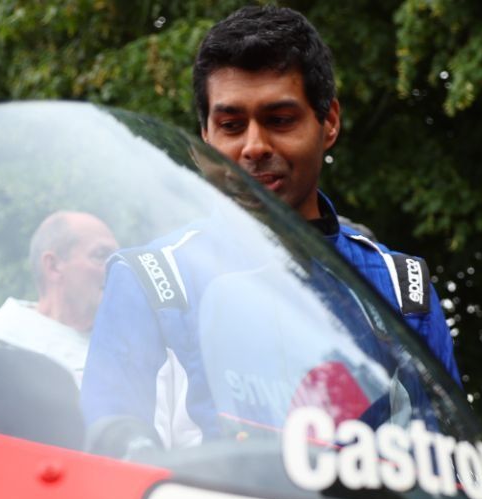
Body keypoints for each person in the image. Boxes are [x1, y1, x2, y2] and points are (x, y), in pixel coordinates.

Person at [82, 5, 460, 447]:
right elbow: (108, 457)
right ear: (205, 136)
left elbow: (448, 466)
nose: (254, 146)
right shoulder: (149, 282)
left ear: (330, 122)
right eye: (230, 125)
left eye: (280, 120)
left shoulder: (403, 289)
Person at [0, 211, 119, 385]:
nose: (118, 269)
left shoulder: (126, 347)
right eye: (101, 255)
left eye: (118, 258)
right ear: (53, 266)